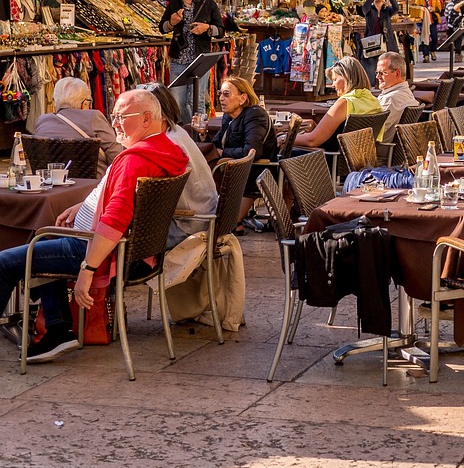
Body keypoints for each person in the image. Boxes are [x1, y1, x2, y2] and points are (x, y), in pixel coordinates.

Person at [0, 90, 187, 362]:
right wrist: (84, 207)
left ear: (147, 119)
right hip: (135, 252)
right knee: (38, 244)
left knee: (6, 261)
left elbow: (115, 220)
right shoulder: (167, 150)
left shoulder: (135, 160)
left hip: (97, 249)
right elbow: (115, 200)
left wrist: (87, 270)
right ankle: (57, 329)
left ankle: (57, 328)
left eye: (121, 117)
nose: (114, 124)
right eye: (113, 116)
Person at [137, 83, 218, 246]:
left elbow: (145, 200)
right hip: (205, 217)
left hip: (188, 225)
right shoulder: (177, 132)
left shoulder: (167, 144)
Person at [159, 0, 224, 123]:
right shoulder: (175, 2)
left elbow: (221, 31)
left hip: (200, 59)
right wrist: (171, 23)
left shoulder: (209, 4)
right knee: (177, 103)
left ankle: (197, 136)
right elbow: (162, 28)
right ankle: (189, 131)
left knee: (197, 102)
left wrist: (207, 28)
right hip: (178, 59)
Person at [210, 76, 278, 224]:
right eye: (220, 93)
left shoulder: (255, 115)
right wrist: (203, 135)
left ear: (243, 98)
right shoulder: (228, 116)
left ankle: (232, 221)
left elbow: (252, 151)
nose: (221, 98)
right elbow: (216, 143)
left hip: (254, 172)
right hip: (235, 169)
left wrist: (224, 153)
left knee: (223, 225)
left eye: (226, 94)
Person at [292, 58, 383, 152]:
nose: (333, 85)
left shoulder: (345, 103)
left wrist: (284, 138)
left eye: (335, 79)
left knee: (282, 150)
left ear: (347, 78)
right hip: (357, 160)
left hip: (326, 160)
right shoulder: (372, 101)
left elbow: (312, 141)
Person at [35, 76, 122, 174]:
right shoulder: (93, 117)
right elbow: (115, 153)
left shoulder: (43, 121)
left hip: (53, 183)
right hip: (92, 184)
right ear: (84, 103)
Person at [374, 52, 418, 138]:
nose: (377, 77)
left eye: (382, 73)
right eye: (377, 73)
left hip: (378, 148)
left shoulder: (391, 99)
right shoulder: (406, 93)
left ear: (397, 73)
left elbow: (372, 132)